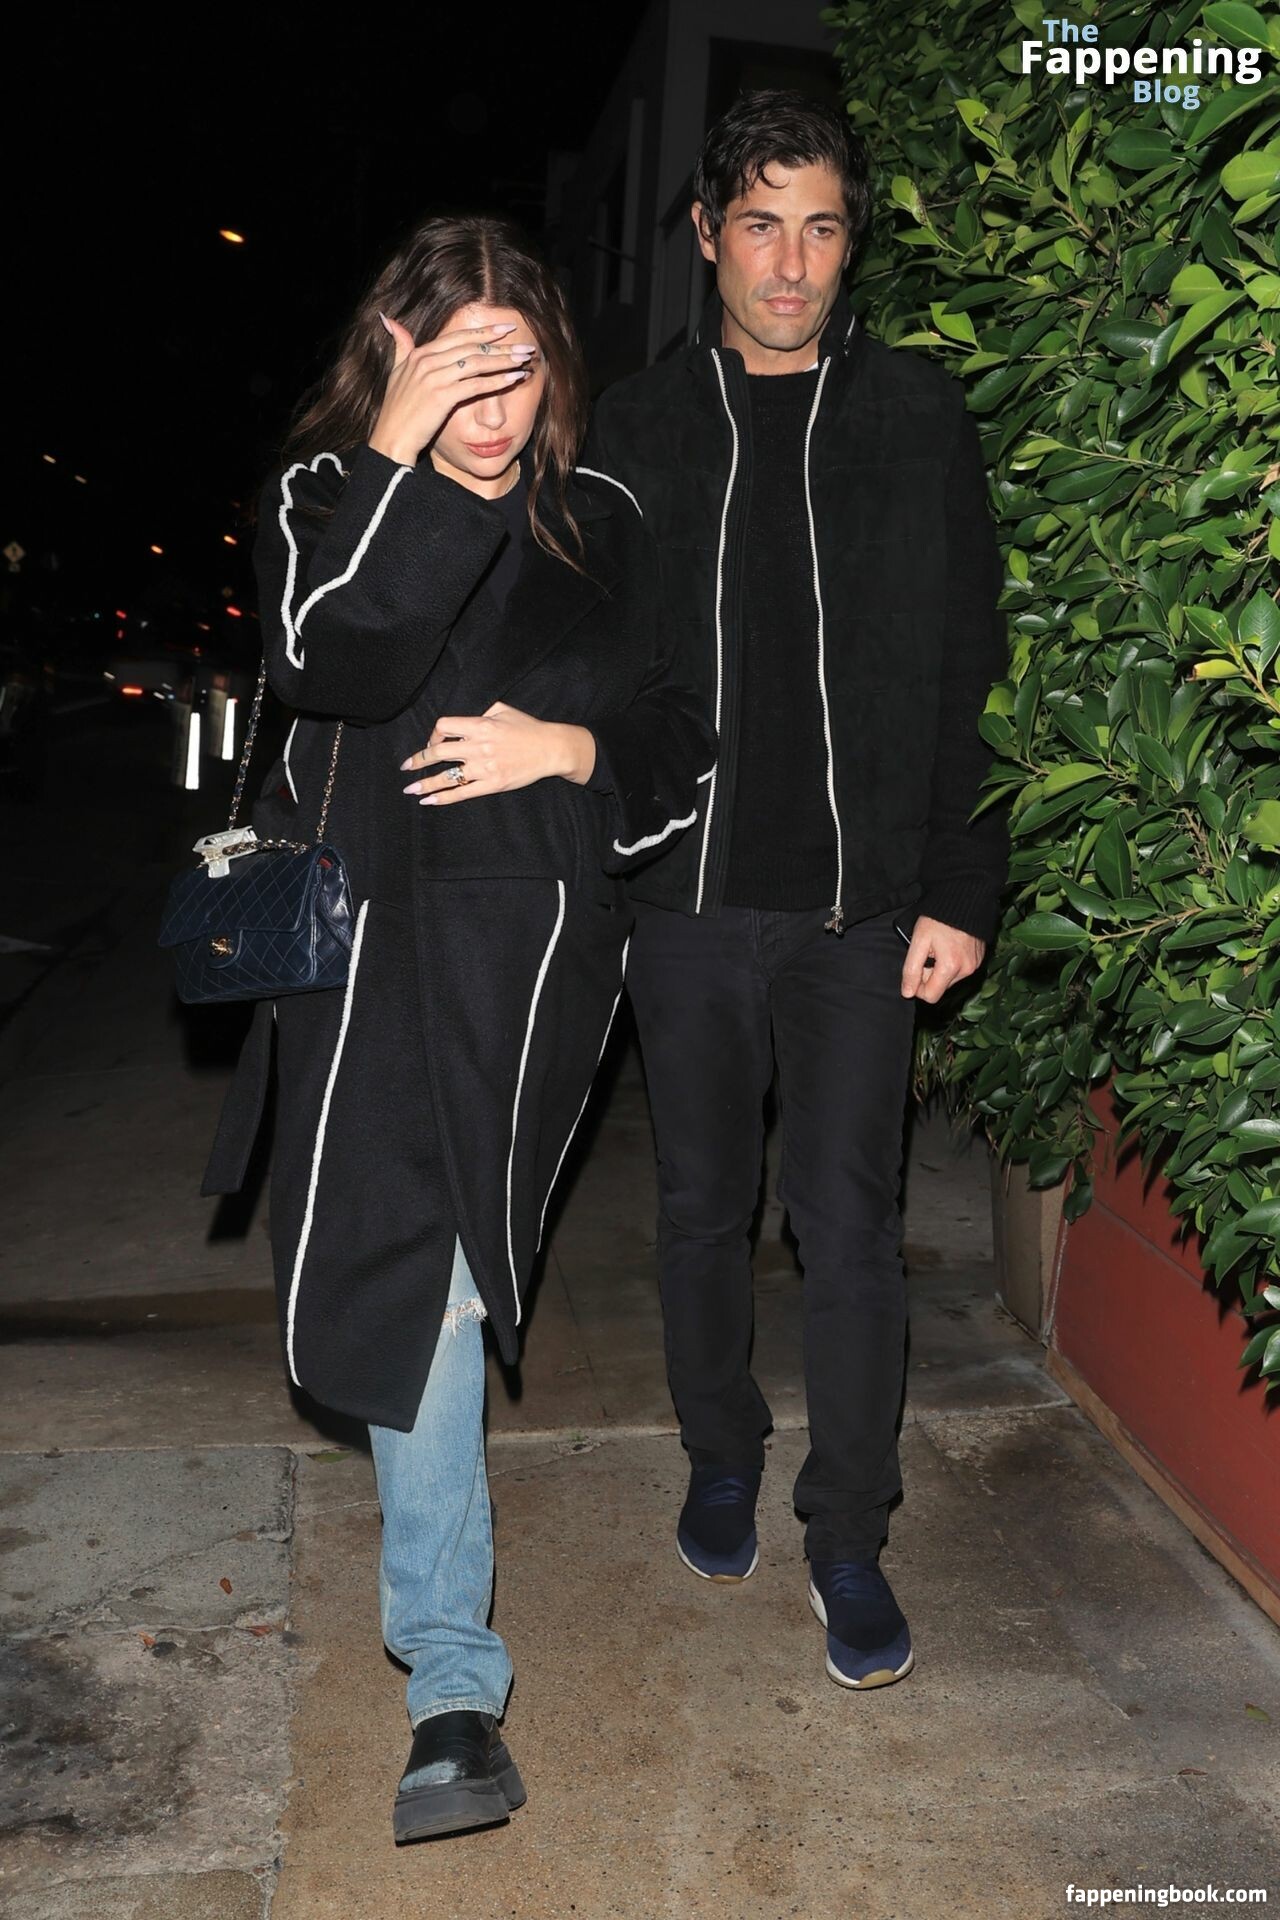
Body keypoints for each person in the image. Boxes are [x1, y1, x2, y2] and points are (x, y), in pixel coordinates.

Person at [200, 214, 715, 1841]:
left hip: (530, 954)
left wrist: (566, 750)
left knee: (452, 1272)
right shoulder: (326, 495)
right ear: (396, 358)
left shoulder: (604, 520)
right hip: (360, 954)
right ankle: (452, 1687)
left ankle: (445, 1671)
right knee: (409, 1287)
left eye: (520, 367)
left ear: (559, 371)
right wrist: (401, 453)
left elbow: (679, 729)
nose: (493, 406)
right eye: (457, 367)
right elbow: (338, 658)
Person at [581, 91, 1010, 1690]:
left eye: (820, 228)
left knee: (851, 1229)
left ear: (849, 246)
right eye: (760, 225)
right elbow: (589, 660)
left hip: (858, 912)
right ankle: (719, 1451)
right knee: (702, 1212)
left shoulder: (914, 416)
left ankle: (848, 1532)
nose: (789, 263)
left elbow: (970, 661)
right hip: (684, 909)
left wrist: (962, 886)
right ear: (708, 233)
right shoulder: (637, 427)